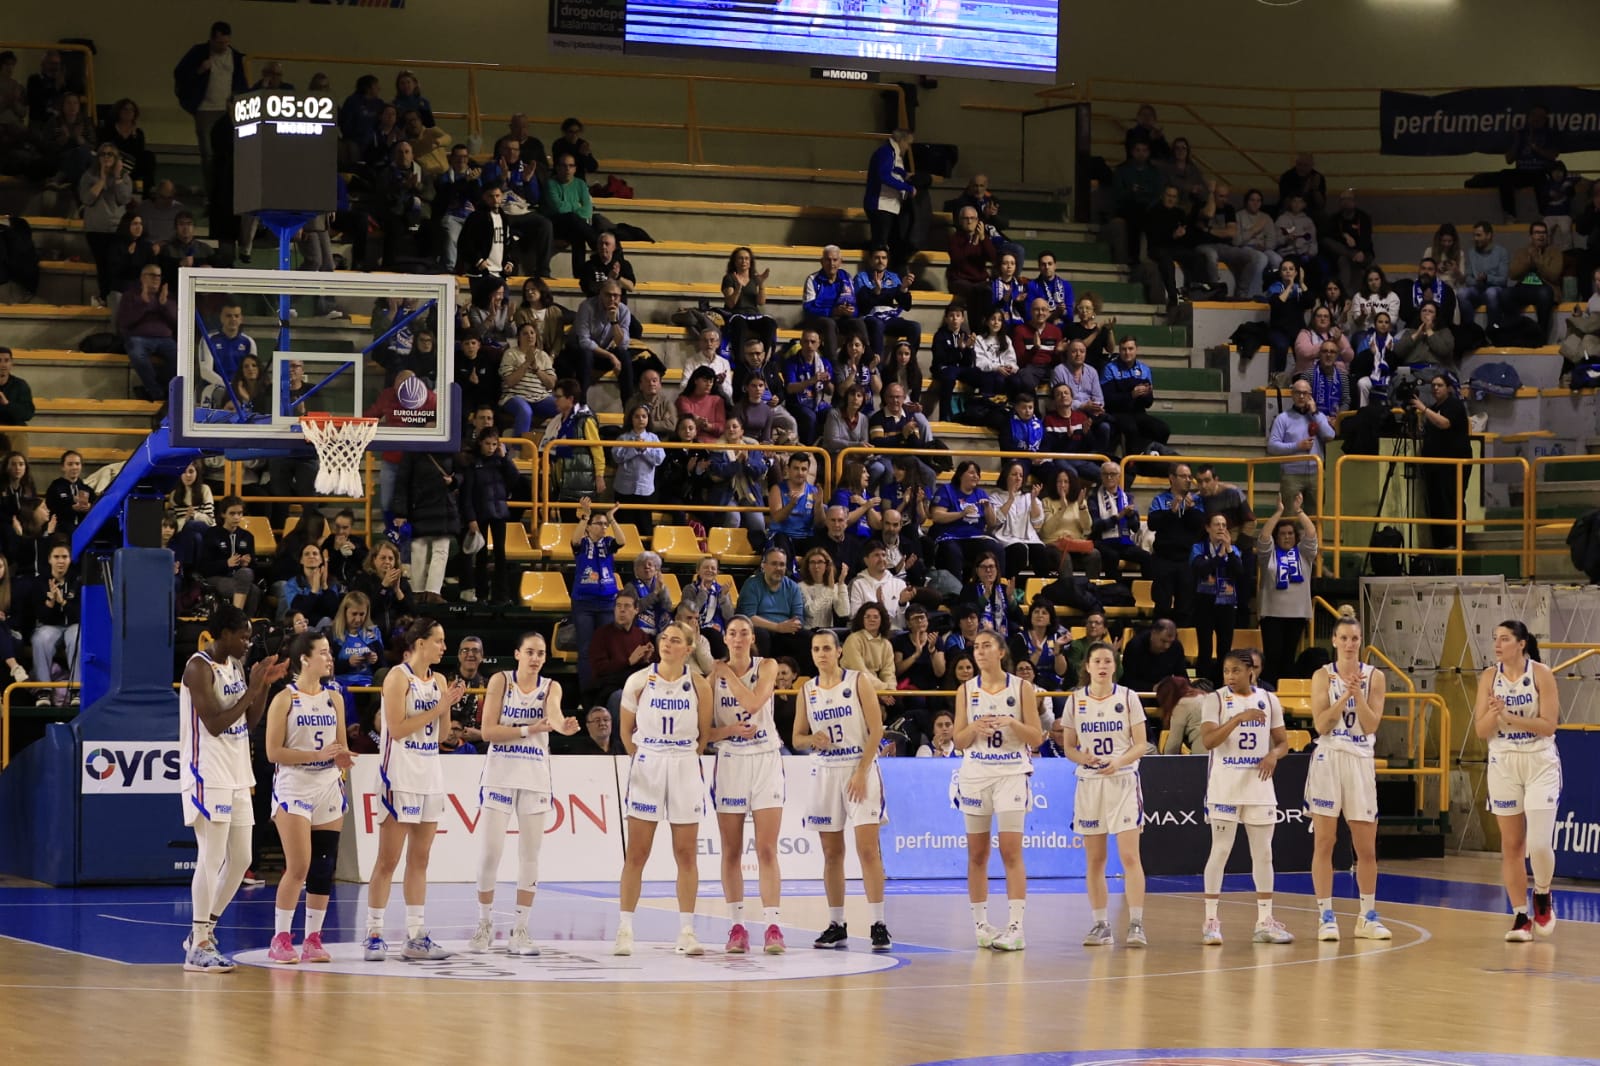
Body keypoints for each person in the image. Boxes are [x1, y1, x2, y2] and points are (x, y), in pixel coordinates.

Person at [178, 605, 285, 972]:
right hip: (208, 773)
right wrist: (252, 688)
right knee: (211, 857)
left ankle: (203, 932)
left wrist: (264, 687)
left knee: (240, 860)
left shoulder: (236, 668)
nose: (247, 642)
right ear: (222, 633)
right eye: (242, 635)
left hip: (238, 773)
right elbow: (215, 724)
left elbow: (248, 720)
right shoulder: (198, 668)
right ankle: (199, 944)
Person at [468, 631, 580, 956]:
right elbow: (489, 732)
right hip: (500, 775)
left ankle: (520, 929)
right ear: (517, 654)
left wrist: (562, 727)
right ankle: (484, 924)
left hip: (534, 778)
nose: (535, 658)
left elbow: (554, 714)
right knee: (491, 852)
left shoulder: (550, 687)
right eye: (530, 651)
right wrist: (529, 729)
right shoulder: (500, 682)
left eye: (541, 653)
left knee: (529, 855)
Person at [363, 619, 466, 962]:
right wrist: (438, 707)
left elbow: (440, 736)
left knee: (420, 859)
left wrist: (447, 704)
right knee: (388, 860)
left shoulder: (438, 680)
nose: (443, 647)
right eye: (438, 641)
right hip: (399, 777)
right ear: (420, 643)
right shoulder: (397, 677)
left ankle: (415, 934)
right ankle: (374, 931)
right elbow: (397, 727)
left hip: (429, 777)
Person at [613, 621, 715, 956]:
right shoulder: (639, 681)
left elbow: (702, 736)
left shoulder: (699, 684)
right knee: (637, 854)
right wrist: (645, 758)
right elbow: (626, 732)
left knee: (686, 854)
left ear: (689, 648)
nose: (668, 644)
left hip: (684, 762)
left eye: (676, 640)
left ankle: (687, 931)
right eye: (665, 638)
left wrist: (682, 758)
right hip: (649, 763)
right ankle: (625, 929)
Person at [794, 629, 892, 952]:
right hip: (825, 771)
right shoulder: (806, 690)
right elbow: (797, 738)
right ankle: (837, 924)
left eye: (826, 648)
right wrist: (812, 740)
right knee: (832, 853)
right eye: (815, 649)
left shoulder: (857, 681)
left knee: (867, 850)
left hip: (857, 767)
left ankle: (879, 923)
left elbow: (877, 729)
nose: (821, 654)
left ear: (838, 652)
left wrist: (863, 771)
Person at [264, 632, 352, 964]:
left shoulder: (335, 698)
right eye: (324, 653)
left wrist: (342, 756)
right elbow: (273, 752)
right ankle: (281, 937)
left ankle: (313, 938)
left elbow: (340, 746)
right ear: (305, 659)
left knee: (323, 866)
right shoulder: (284, 699)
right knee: (299, 865)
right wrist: (315, 753)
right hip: (295, 784)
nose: (330, 658)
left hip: (327, 784)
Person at [1306, 609, 1392, 943]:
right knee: (1325, 841)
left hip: (1360, 760)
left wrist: (1357, 691)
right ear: (1334, 641)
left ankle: (1367, 915)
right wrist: (1343, 694)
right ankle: (1326, 915)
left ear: (1361, 642)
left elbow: (1371, 725)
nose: (1349, 644)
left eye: (1354, 638)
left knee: (1366, 846)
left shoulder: (1375, 677)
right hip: (1329, 758)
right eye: (1343, 638)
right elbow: (1321, 724)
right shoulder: (1322, 676)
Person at [954, 631, 1043, 951]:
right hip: (976, 774)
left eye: (986, 645)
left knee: (1010, 850)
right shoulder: (966, 690)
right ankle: (981, 925)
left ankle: (1016, 927)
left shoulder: (1021, 688)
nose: (979, 651)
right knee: (977, 854)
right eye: (976, 647)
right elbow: (958, 741)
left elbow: (1036, 737)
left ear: (1001, 652)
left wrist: (1011, 723)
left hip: (1011, 774)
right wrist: (972, 729)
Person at [1197, 650, 1293, 946]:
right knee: (1221, 850)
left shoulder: (1269, 699)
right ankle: (1211, 920)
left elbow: (1283, 743)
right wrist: (1239, 717)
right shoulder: (1215, 700)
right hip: (1225, 785)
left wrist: (1273, 756)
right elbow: (1209, 741)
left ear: (1251, 671)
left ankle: (1264, 920)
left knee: (1263, 853)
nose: (1229, 676)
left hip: (1259, 786)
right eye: (1226, 671)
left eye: (1236, 670)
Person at [1476, 620, 1563, 940]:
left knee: (1538, 844)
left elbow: (1549, 726)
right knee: (1511, 846)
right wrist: (1493, 713)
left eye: (1504, 639)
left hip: (1539, 761)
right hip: (1503, 763)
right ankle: (1520, 916)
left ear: (1521, 643)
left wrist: (1508, 717)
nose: (1497, 644)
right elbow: (1481, 730)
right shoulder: (1489, 677)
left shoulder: (1540, 675)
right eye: (1494, 638)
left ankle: (1542, 893)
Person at [709, 616, 788, 954]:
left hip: (765, 758)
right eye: (732, 633)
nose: (738, 637)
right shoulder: (710, 678)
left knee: (767, 849)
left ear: (752, 637)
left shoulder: (766, 665)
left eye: (744, 632)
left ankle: (773, 925)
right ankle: (736, 926)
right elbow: (703, 734)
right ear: (725, 639)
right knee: (731, 850)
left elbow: (755, 703)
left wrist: (727, 674)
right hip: (729, 761)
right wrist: (727, 732)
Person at [1063, 642, 1149, 948]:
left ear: (1115, 666)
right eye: (1096, 661)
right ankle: (1100, 924)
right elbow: (1069, 748)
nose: (1102, 666)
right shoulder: (1075, 701)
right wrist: (1081, 758)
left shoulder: (1128, 697)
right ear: (1087, 666)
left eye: (1107, 661)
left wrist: (1119, 762)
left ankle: (1136, 924)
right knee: (1095, 859)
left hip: (1123, 780)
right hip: (1089, 783)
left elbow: (1141, 744)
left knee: (1129, 856)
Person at [172, 22, 248, 190]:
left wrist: (236, 103)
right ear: (212, 40)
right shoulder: (198, 53)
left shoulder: (235, 57)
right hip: (205, 109)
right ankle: (210, 192)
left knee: (230, 151)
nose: (223, 46)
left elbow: (241, 84)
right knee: (208, 153)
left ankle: (228, 189)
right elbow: (179, 74)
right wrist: (199, 70)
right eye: (220, 43)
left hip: (228, 110)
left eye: (226, 42)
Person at [1256, 496, 1317, 686]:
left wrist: (1299, 511)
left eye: (1290, 533)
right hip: (1272, 614)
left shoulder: (1304, 553)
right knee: (1272, 658)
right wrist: (1278, 513)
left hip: (1297, 614)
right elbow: (1264, 538)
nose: (1287, 536)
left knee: (1289, 659)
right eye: (1282, 533)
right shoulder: (1269, 555)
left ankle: (1287, 699)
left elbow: (1312, 533)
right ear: (1277, 536)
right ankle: (1271, 695)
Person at [1412, 371, 1472, 556]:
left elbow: (1445, 423)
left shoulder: (1454, 405)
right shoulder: (1433, 407)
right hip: (1435, 465)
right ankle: (1439, 544)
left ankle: (1455, 542)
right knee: (1436, 502)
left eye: (1439, 385)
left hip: (1454, 463)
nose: (1435, 388)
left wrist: (1423, 409)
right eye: (1433, 386)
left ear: (1448, 388)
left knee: (1451, 500)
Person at [571, 497, 624, 694]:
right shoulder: (582, 544)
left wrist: (612, 519)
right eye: (599, 523)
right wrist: (585, 516)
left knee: (606, 648)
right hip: (584, 603)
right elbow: (574, 540)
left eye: (605, 524)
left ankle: (604, 689)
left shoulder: (608, 543)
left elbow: (622, 540)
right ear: (589, 527)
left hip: (607, 602)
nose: (603, 527)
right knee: (585, 650)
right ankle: (586, 691)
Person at [1268, 379, 1334, 515]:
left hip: (1317, 473)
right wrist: (1297, 446)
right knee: (1290, 517)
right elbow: (1272, 446)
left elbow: (1330, 435)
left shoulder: (1318, 417)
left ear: (1310, 396)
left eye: (1305, 393)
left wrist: (1315, 413)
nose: (1301, 396)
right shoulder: (1283, 418)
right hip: (1292, 475)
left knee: (1316, 517)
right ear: (1292, 395)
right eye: (1298, 393)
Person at [1189, 513, 1242, 684]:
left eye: (1224, 525)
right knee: (1205, 647)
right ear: (1207, 528)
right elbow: (1201, 569)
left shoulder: (1234, 550)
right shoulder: (1198, 547)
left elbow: (1239, 572)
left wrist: (1229, 551)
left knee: (1224, 648)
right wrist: (1218, 557)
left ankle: (1223, 684)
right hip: (1204, 602)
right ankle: (1203, 684)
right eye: (1217, 524)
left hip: (1226, 603)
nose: (1221, 528)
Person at [864, 129, 915, 272]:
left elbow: (894, 170)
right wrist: (907, 187)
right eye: (908, 144)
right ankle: (875, 278)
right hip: (881, 205)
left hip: (888, 206)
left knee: (888, 243)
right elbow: (884, 175)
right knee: (880, 245)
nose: (908, 147)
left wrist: (905, 175)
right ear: (902, 141)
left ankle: (885, 276)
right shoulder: (886, 152)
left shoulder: (892, 153)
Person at [1507, 221, 1563, 339]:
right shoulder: (1522, 252)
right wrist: (1528, 261)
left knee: (1545, 293)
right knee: (1505, 294)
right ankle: (1512, 332)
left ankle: (1541, 335)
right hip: (1524, 288)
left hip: (1545, 288)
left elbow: (1554, 275)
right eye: (1537, 233)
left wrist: (1537, 260)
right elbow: (1512, 274)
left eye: (1543, 233)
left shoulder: (1554, 252)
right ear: (1531, 236)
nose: (1541, 236)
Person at [1121, 619, 1187, 694]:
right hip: (1138, 692)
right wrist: (1152, 687)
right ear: (1153, 633)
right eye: (1163, 641)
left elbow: (1182, 675)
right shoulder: (1135, 646)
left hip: (1164, 692)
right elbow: (1128, 680)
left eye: (1170, 642)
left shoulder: (1176, 646)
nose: (1167, 646)